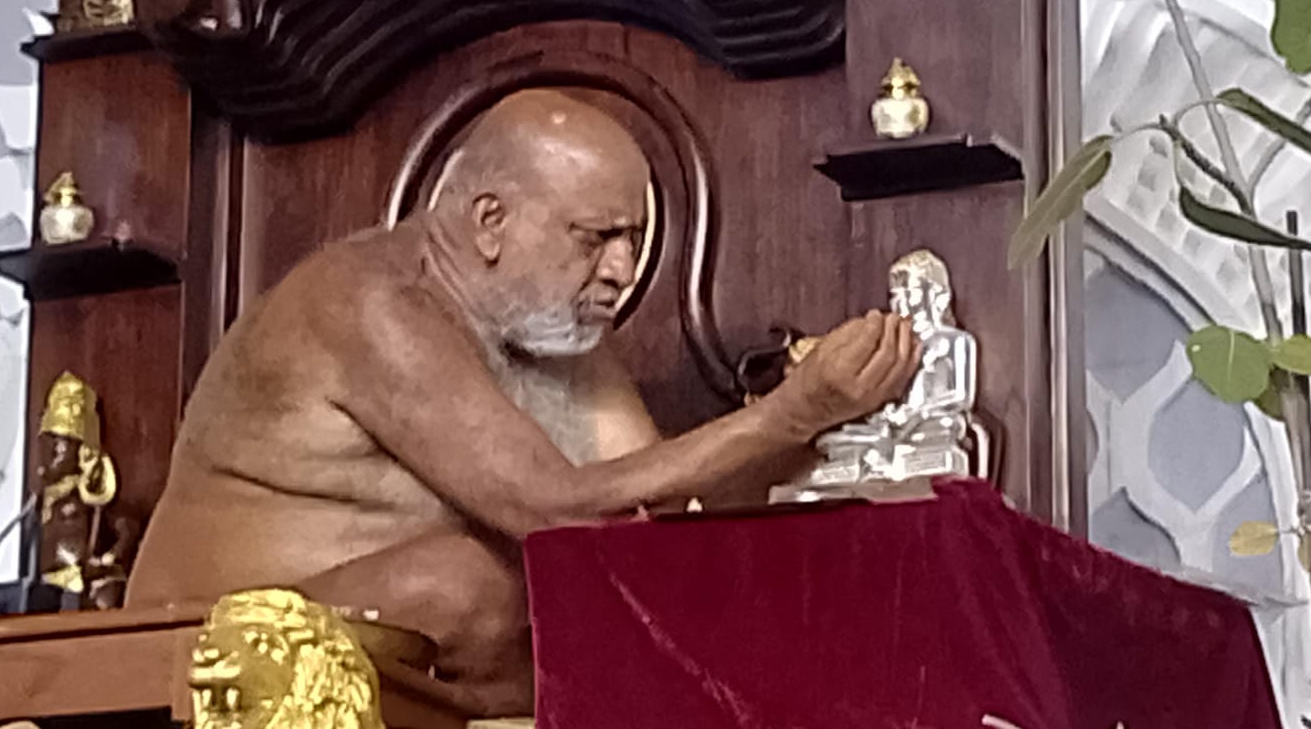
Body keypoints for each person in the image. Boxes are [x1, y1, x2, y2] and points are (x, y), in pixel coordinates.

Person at [127, 89, 918, 714]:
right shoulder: (373, 303)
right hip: (194, 657)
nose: (623, 271)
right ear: (490, 221)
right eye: (596, 237)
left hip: (403, 652)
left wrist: (815, 431)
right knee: (470, 583)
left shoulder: (555, 329)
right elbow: (557, 513)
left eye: (633, 240)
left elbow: (652, 521)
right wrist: (788, 413)